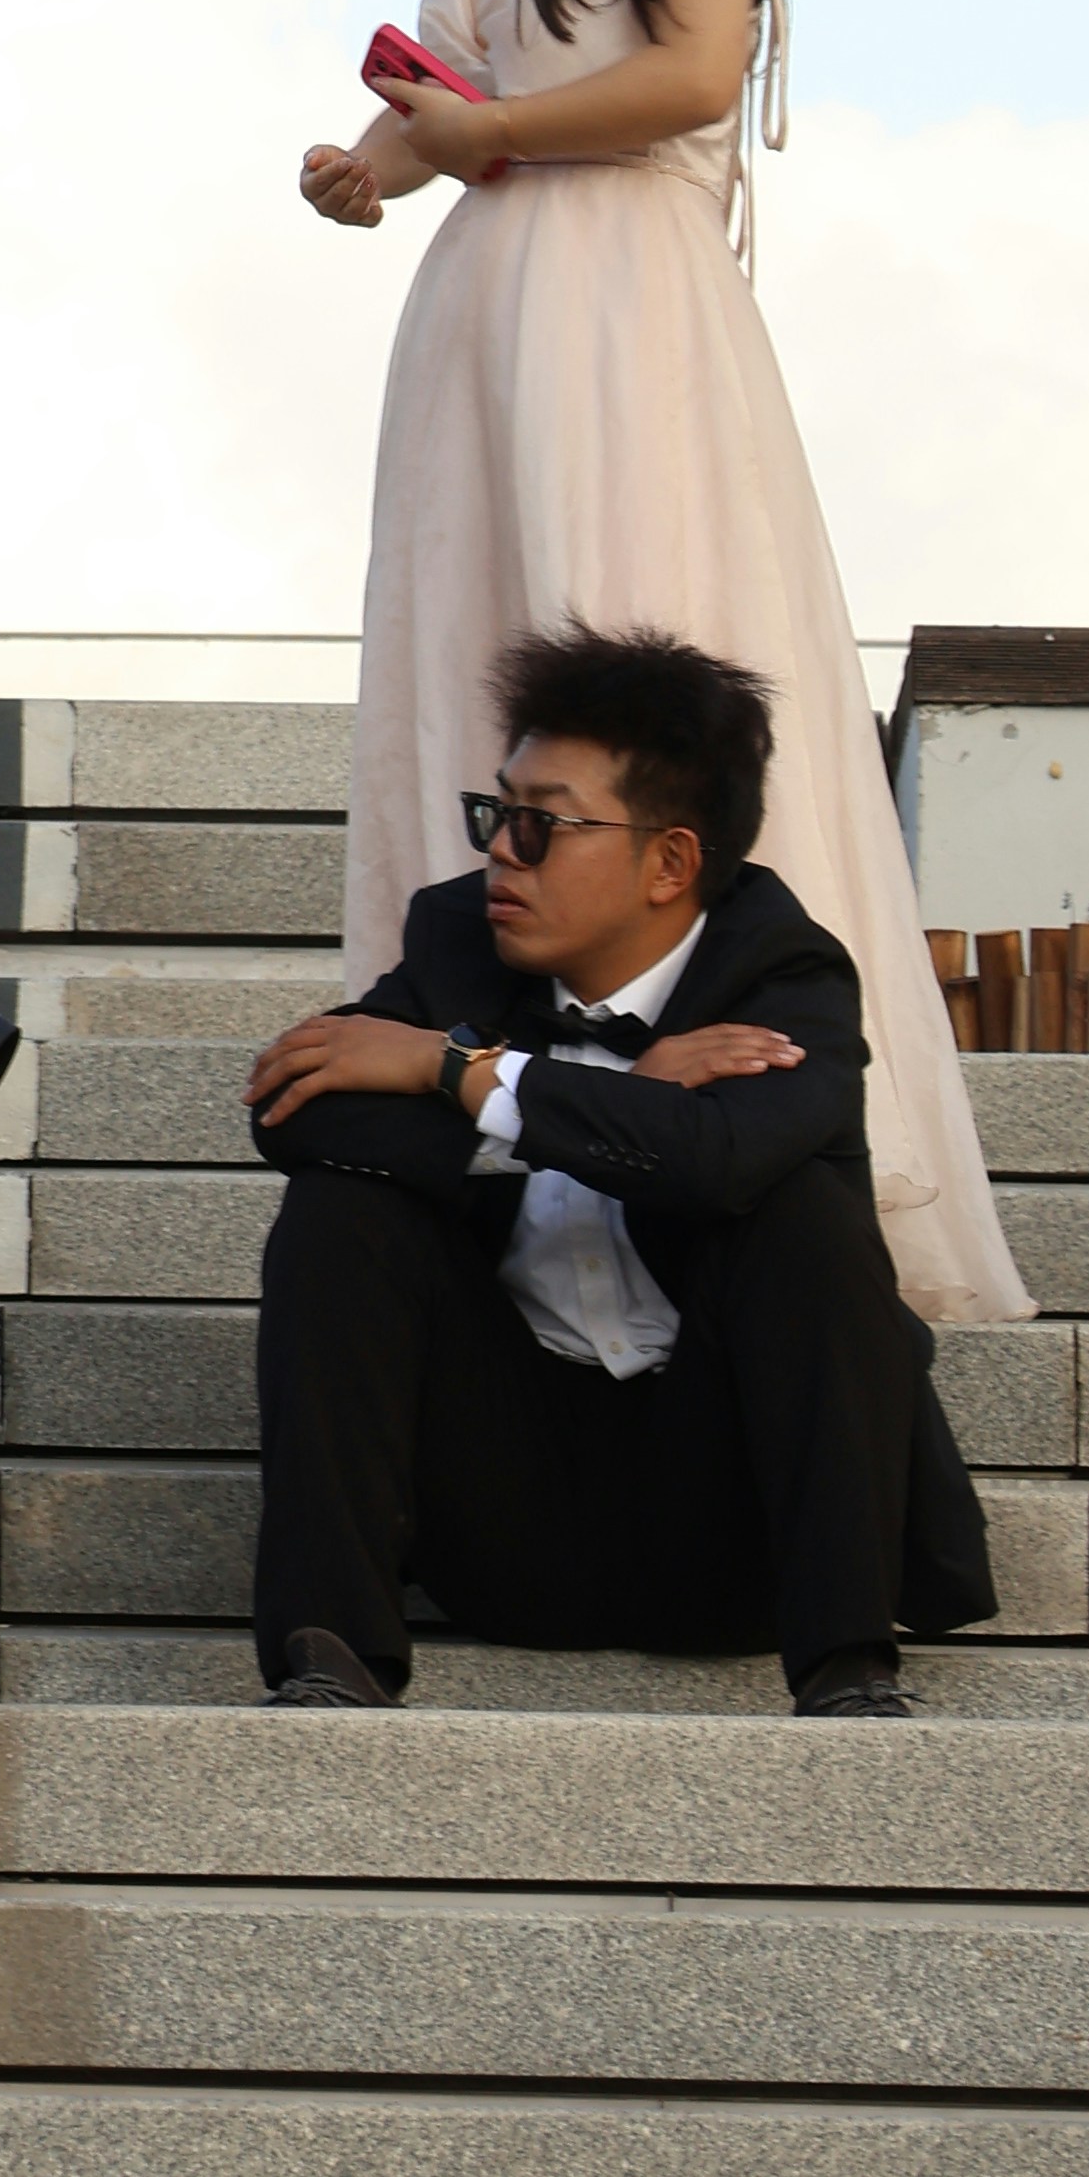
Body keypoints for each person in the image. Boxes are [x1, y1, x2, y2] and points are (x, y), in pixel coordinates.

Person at [301, 0, 1021, 1330]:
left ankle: (719, 1129)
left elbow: (695, 72)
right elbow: (457, 82)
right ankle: (492, 1130)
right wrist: (386, 162)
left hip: (620, 303)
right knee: (487, 667)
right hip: (491, 313)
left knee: (631, 640)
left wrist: (487, 136)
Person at [245, 625, 996, 1716]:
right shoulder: (456, 939)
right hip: (501, 1517)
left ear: (669, 863)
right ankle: (329, 1654)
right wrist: (579, 1084)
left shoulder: (784, 973)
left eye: (541, 824)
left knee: (801, 1221)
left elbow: (718, 1162)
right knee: (337, 1216)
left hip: (734, 1532)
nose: (502, 849)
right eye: (497, 813)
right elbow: (295, 1111)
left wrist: (457, 1074)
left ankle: (848, 1670)